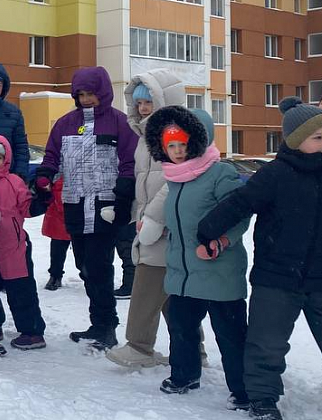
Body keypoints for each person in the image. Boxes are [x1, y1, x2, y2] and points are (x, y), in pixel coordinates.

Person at [197, 97, 322, 420]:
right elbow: (240, 203)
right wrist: (208, 230)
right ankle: (263, 398)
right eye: (318, 137)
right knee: (266, 343)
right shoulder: (275, 174)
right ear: (295, 140)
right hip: (276, 278)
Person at [144, 106, 249, 410]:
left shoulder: (220, 173)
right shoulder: (175, 177)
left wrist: (221, 241)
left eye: (183, 144)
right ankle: (185, 375)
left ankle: (243, 389)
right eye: (170, 146)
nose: (177, 152)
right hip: (184, 271)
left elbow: (239, 216)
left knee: (230, 334)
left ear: (198, 141)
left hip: (218, 270)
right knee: (181, 326)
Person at [107, 69, 206, 369]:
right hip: (149, 223)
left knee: (147, 284)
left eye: (149, 100)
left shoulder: (174, 135)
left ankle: (139, 346)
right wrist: (131, 211)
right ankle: (193, 348)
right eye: (138, 102)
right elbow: (144, 182)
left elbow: (175, 180)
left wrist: (153, 218)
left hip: (168, 224)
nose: (143, 107)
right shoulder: (144, 138)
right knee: (169, 293)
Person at [35, 66, 138, 350]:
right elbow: (52, 154)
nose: (86, 99)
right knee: (84, 267)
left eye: (90, 93)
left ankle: (107, 326)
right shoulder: (66, 124)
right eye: (80, 94)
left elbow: (130, 161)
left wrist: (124, 193)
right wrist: (45, 174)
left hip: (106, 205)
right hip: (75, 203)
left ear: (102, 92)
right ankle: (97, 323)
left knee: (99, 266)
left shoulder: (120, 123)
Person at [0, 135, 48, 351]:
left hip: (13, 246)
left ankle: (32, 331)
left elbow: (27, 207)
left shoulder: (14, 181)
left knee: (21, 289)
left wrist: (41, 199)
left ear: (6, 159)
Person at [40, 176, 84, 291]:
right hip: (59, 219)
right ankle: (55, 275)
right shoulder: (57, 174)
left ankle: (87, 274)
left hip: (77, 217)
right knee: (58, 251)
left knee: (81, 251)